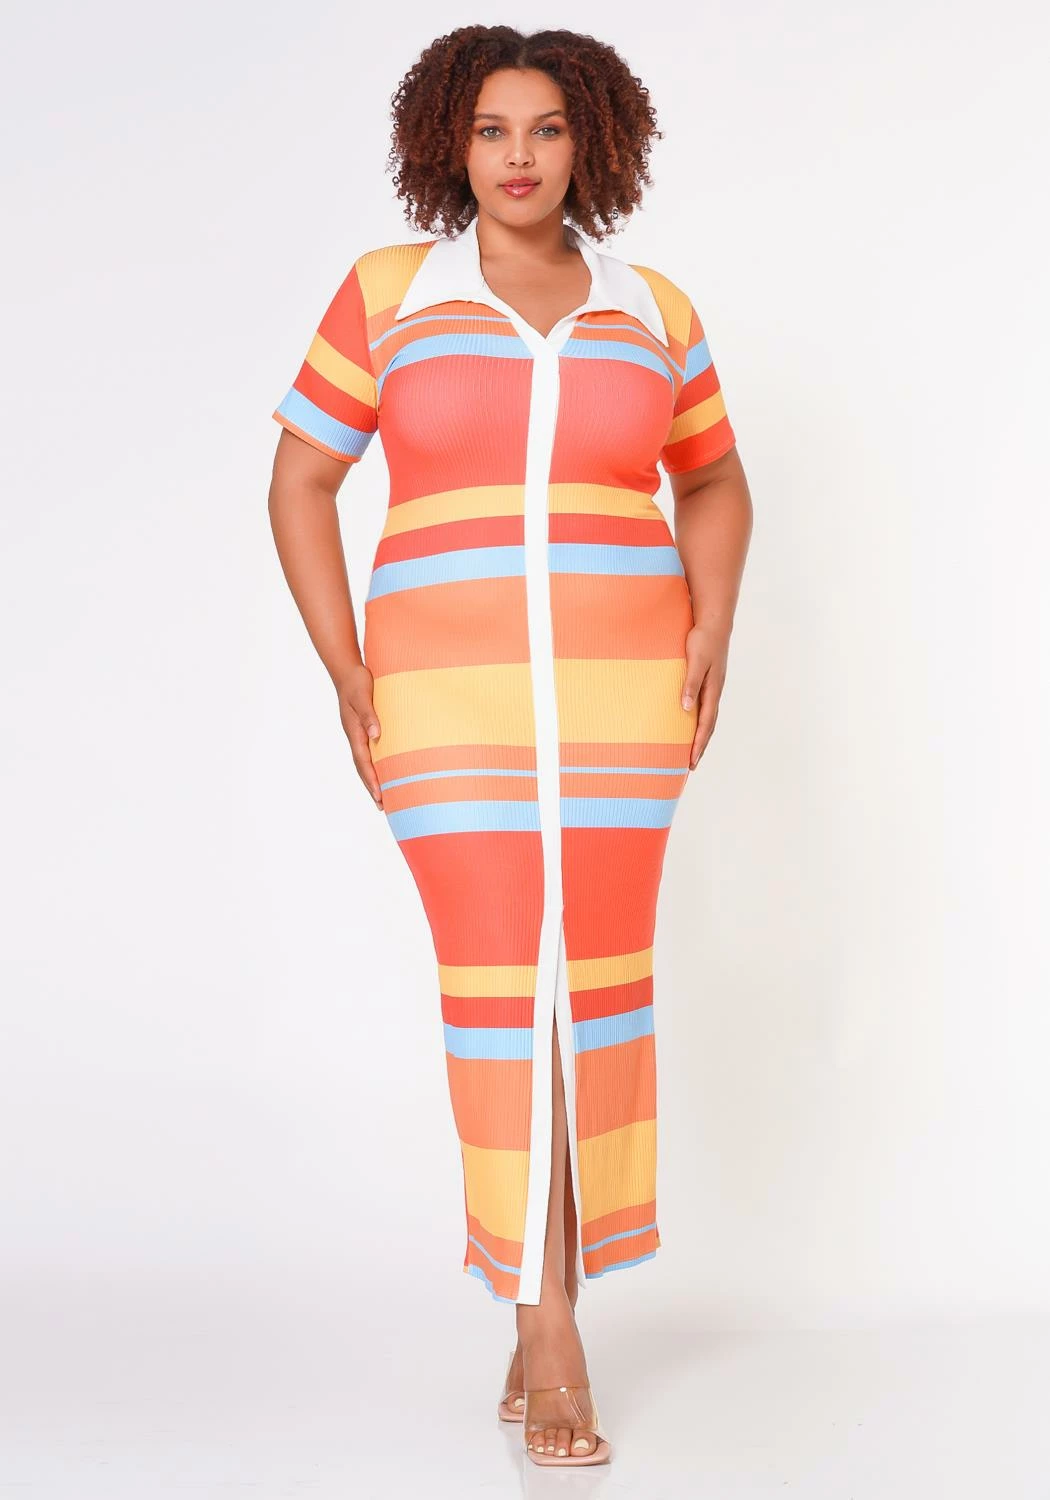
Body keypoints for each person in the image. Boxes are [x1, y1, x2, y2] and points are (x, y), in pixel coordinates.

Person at [267, 24, 753, 1468]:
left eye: (546, 129)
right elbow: (300, 480)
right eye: (491, 130)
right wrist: (347, 667)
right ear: (450, 144)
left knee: (588, 991)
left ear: (591, 143)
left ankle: (544, 1305)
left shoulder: (650, 308)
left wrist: (711, 623)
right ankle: (550, 1328)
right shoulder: (392, 295)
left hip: (622, 704)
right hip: (445, 702)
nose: (519, 156)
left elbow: (714, 478)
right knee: (502, 991)